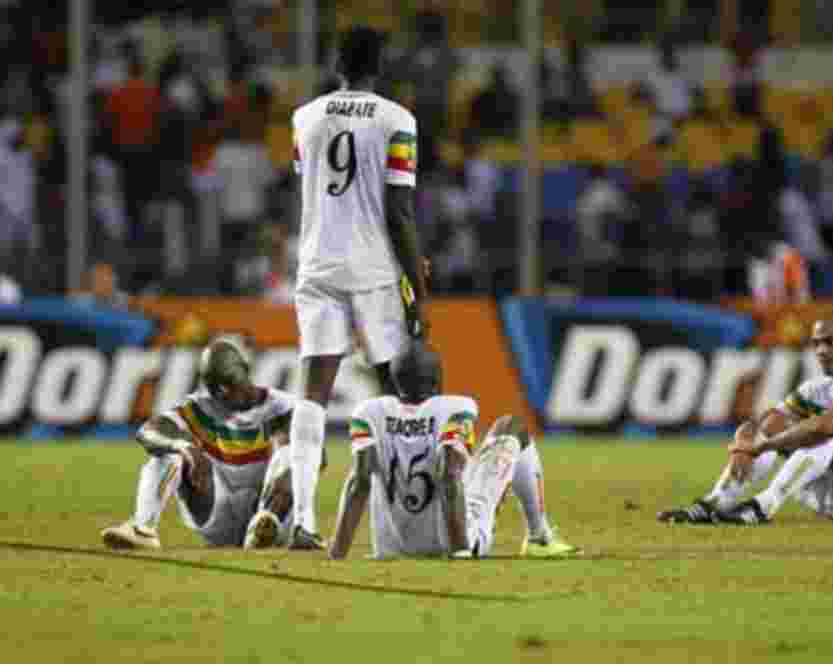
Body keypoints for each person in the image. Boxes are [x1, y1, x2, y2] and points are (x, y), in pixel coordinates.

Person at [288, 27, 431, 549]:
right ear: (379, 67)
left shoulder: (305, 118)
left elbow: (306, 186)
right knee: (400, 395)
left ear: (335, 65)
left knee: (313, 393)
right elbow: (400, 211)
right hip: (373, 269)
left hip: (318, 262)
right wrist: (416, 288)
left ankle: (303, 521)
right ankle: (405, 522)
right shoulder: (398, 120)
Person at [657, 311, 833, 525]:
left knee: (823, 429)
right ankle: (713, 504)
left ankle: (763, 506)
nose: (821, 350)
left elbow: (828, 427)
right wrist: (747, 442)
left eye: (830, 341)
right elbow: (769, 424)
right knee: (773, 430)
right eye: (816, 343)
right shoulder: (817, 389)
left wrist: (762, 446)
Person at [328, 342, 580, 560]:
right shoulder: (456, 408)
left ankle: (536, 538)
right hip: (455, 539)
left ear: (395, 381)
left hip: (392, 548)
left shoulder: (368, 413)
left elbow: (359, 481)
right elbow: (448, 474)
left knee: (461, 468)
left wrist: (337, 552)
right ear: (438, 380)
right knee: (511, 426)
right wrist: (461, 551)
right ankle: (539, 536)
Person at [101, 338, 302, 550]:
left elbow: (315, 456)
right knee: (169, 453)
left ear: (245, 372)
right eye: (218, 390)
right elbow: (147, 431)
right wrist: (185, 447)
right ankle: (142, 529)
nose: (226, 396)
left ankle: (264, 527)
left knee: (295, 454)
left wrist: (285, 475)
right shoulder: (202, 407)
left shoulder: (283, 406)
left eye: (231, 384)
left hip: (270, 509)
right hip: (216, 513)